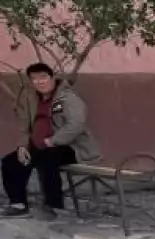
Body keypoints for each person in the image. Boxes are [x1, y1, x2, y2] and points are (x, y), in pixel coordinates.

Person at [3, 62, 98, 218]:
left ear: (52, 77)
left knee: (46, 158)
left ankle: (53, 205)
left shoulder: (68, 98)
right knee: (10, 161)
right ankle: (18, 203)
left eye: (43, 77)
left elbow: (76, 124)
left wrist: (53, 141)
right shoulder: (31, 99)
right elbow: (25, 125)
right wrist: (22, 146)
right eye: (34, 79)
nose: (39, 82)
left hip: (68, 147)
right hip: (39, 145)